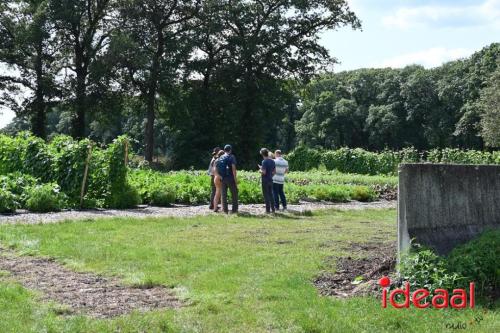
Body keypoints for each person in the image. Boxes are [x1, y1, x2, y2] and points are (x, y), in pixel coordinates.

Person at [220, 144, 238, 213]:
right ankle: (234, 210)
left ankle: (225, 210)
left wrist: (221, 176)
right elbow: (233, 168)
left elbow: (218, 168)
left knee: (224, 194)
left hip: (223, 178)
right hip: (230, 177)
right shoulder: (232, 157)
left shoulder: (221, 157)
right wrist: (235, 178)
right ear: (230, 150)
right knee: (234, 194)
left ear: (224, 150)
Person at [259, 148, 276, 213]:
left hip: (265, 180)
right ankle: (273, 209)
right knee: (271, 195)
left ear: (262, 154)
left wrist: (260, 170)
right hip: (270, 180)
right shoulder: (272, 161)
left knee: (266, 195)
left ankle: (267, 210)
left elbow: (264, 172)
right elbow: (274, 172)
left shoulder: (264, 161)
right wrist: (270, 176)